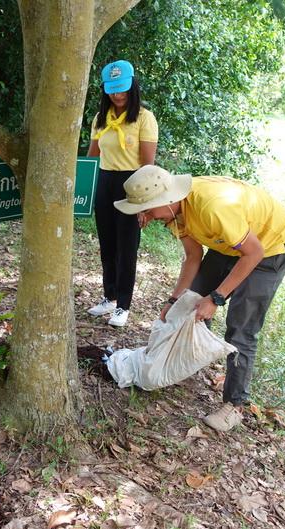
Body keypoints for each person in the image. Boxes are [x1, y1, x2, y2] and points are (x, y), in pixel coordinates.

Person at [114, 165, 285, 432]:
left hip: (268, 249)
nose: (145, 217)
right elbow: (192, 257)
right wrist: (173, 299)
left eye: (147, 210)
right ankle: (187, 363)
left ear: (165, 200)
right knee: (190, 303)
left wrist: (217, 297)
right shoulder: (175, 213)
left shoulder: (212, 207)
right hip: (231, 244)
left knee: (241, 328)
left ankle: (234, 405)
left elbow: (253, 253)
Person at [85, 60, 158, 328]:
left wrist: (144, 204)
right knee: (107, 244)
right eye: (112, 90)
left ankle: (124, 305)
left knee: (127, 247)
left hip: (132, 183)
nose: (118, 95)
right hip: (104, 181)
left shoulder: (144, 118)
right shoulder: (100, 118)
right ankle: (109, 296)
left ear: (132, 86)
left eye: (122, 90)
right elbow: (92, 156)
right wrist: (83, 184)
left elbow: (147, 165)